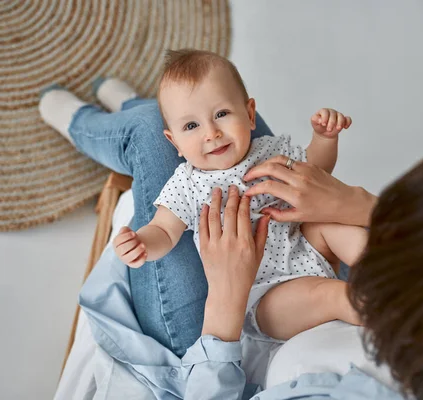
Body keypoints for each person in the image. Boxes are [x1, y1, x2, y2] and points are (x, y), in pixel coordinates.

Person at [41, 73, 423, 399]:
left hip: (236, 328)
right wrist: (348, 199)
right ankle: (145, 106)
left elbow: (165, 230)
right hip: (290, 261)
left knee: (159, 138)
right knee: (233, 128)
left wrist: (227, 305)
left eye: (396, 231)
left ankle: (101, 117)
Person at [111, 50, 363, 344]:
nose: (212, 133)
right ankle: (376, 307)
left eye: (221, 114)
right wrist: (142, 243)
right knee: (330, 295)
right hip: (265, 296)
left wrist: (324, 139)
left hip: (307, 249)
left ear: (251, 114)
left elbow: (316, 174)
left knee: (335, 228)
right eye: (192, 126)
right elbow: (164, 230)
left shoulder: (269, 150)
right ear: (174, 142)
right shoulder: (187, 183)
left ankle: (385, 264)